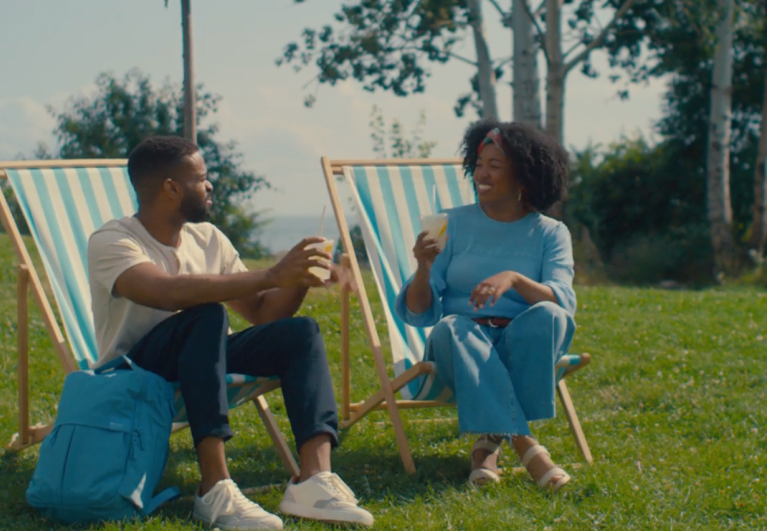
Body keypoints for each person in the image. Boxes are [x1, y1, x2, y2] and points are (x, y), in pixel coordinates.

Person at [87, 136, 373, 530]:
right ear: (171, 188)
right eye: (202, 178)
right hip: (135, 372)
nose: (210, 186)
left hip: (201, 358)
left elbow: (263, 312)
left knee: (299, 333)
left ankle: (313, 480)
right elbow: (166, 294)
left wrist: (297, 278)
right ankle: (214, 488)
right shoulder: (113, 240)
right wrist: (272, 273)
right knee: (204, 315)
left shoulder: (209, 239)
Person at [394, 120, 577, 493]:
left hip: (523, 345)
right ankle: (527, 445)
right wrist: (423, 268)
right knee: (452, 326)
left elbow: (562, 300)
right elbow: (419, 313)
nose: (481, 173)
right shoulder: (452, 224)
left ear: (524, 176)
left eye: (495, 165)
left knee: (549, 314)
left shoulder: (550, 233)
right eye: (479, 164)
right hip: (461, 345)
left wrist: (514, 278)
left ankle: (485, 448)